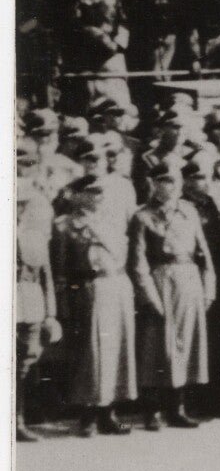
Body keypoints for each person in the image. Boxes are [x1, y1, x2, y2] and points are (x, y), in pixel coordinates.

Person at [129, 157, 216, 429]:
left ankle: (177, 407)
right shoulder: (142, 216)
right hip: (161, 280)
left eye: (172, 181)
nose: (168, 186)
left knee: (186, 345)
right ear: (153, 185)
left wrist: (208, 287)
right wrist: (149, 296)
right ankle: (152, 410)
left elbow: (204, 253)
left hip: (188, 278)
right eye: (161, 181)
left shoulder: (189, 211)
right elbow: (138, 262)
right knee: (158, 347)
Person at [53, 173, 140, 435]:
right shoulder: (65, 225)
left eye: (100, 192)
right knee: (91, 353)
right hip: (88, 290)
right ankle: (87, 415)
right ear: (77, 195)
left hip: (117, 285)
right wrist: (63, 303)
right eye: (91, 191)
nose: (97, 197)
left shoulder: (113, 222)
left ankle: (108, 412)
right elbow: (60, 269)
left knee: (116, 350)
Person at [15, 142, 61, 441]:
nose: (22, 169)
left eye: (29, 164)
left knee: (26, 359)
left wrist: (50, 310)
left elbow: (44, 263)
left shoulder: (41, 205)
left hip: (30, 292)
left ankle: (16, 421)